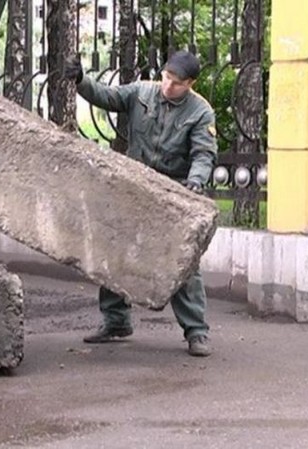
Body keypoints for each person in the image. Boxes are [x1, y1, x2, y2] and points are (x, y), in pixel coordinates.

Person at [64, 50, 217, 357]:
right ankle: (116, 321)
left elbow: (204, 153)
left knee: (182, 262)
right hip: (135, 186)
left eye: (176, 83)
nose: (168, 86)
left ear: (190, 83)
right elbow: (107, 96)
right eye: (166, 77)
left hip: (172, 192)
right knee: (114, 249)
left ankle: (196, 331)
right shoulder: (142, 92)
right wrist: (81, 80)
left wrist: (196, 181)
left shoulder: (201, 112)